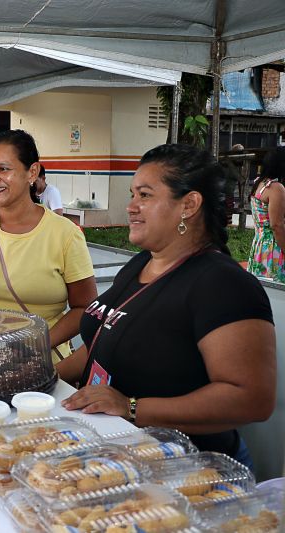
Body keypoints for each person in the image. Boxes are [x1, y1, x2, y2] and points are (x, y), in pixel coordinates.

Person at [57, 144, 276, 465]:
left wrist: (132, 407)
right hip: (117, 449)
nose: (131, 206)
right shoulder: (142, 263)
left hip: (187, 468)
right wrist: (45, 378)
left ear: (189, 204)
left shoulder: (224, 285)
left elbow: (251, 399)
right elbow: (102, 339)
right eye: (133, 194)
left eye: (145, 195)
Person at [0, 129, 96, 361]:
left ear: (32, 172)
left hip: (39, 360)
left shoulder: (65, 234)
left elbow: (85, 308)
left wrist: (36, 343)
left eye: (3, 169)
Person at [247, 147, 285, 282]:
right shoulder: (276, 188)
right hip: (275, 248)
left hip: (259, 246)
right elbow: (277, 225)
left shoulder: (260, 183)